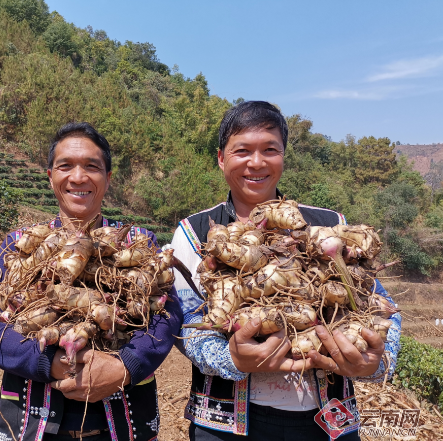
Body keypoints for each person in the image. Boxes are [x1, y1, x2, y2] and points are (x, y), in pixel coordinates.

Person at [170, 101, 401, 441]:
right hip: (224, 427)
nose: (257, 162)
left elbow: (381, 305)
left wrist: (377, 361)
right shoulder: (194, 232)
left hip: (327, 422)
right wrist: (231, 357)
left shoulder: (330, 226)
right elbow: (186, 320)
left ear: (284, 156)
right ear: (221, 158)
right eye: (242, 151)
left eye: (270, 150)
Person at [0, 122, 183, 441]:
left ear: (108, 179)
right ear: (50, 176)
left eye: (92, 167)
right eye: (65, 166)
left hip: (123, 420)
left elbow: (166, 317)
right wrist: (48, 362)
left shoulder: (139, 243)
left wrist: (125, 366)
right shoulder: (19, 244)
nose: (78, 177)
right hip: (31, 421)